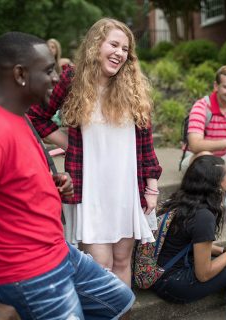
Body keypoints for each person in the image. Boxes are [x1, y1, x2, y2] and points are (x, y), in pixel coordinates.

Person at [0, 32, 134, 320]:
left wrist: (51, 186)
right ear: (20, 74)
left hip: (58, 253)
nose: (57, 77)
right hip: (26, 273)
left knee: (120, 304)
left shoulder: (17, 118)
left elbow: (8, 185)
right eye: (48, 70)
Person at [61, 18, 162, 287]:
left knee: (121, 263)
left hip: (125, 191)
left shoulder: (132, 89)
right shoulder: (72, 81)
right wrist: (71, 143)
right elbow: (36, 117)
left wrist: (151, 188)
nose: (119, 53)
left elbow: (145, 144)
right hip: (90, 192)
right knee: (100, 268)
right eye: (113, 44)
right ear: (96, 45)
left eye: (125, 49)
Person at [152, 155, 226, 303]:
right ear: (217, 184)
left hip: (155, 273)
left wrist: (222, 251)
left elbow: (186, 244)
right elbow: (203, 274)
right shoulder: (203, 217)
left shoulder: (179, 200)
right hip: (172, 284)